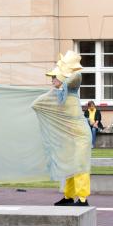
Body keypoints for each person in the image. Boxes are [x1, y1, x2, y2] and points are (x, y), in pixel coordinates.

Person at [33, 51, 93, 207]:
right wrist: (56, 89)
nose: (52, 80)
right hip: (69, 137)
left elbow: (77, 75)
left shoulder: (71, 88)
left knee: (80, 166)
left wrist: (64, 74)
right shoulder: (56, 95)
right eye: (52, 77)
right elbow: (36, 104)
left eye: (55, 77)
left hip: (80, 135)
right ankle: (68, 196)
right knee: (69, 167)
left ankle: (82, 199)